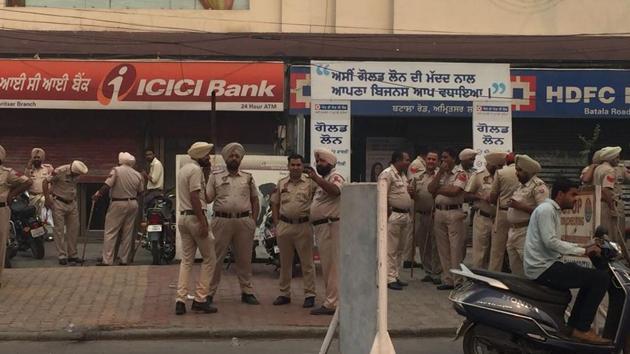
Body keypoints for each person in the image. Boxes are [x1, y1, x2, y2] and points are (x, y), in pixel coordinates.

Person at [524, 177, 609, 345]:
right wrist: (583, 251)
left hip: (547, 264)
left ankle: (573, 328)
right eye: (573, 194)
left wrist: (584, 246)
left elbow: (553, 241)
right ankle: (581, 329)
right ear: (561, 194)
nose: (576, 198)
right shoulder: (547, 210)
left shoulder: (551, 210)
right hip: (543, 268)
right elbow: (551, 242)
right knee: (600, 278)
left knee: (591, 277)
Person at [207, 142, 260, 305]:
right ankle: (208, 293)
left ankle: (247, 291)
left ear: (241, 159)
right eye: (231, 156)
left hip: (244, 222)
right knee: (216, 259)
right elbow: (208, 198)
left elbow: (255, 200)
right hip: (221, 221)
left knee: (244, 259)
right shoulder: (215, 177)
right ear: (225, 158)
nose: (234, 158)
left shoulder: (248, 177)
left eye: (237, 156)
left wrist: (253, 221)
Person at [175, 142, 217, 315]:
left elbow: (204, 197)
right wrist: (203, 222)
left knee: (186, 261)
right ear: (201, 156)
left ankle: (180, 299)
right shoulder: (195, 170)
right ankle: (200, 298)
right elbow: (195, 197)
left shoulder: (184, 169)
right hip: (194, 217)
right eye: (207, 155)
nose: (209, 158)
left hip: (183, 218)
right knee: (210, 259)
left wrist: (206, 174)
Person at [270, 154, 317, 308]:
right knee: (285, 263)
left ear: (303, 166)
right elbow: (274, 203)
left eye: (298, 165)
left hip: (303, 226)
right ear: (288, 166)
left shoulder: (310, 183)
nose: (296, 168)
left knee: (307, 263)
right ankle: (284, 293)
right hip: (284, 226)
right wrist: (277, 224)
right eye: (293, 165)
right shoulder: (282, 183)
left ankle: (310, 294)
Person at [306, 148, 344, 315]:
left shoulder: (336, 176)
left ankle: (332, 303)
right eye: (318, 162)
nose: (319, 164)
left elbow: (336, 191)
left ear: (331, 163)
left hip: (331, 226)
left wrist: (315, 178)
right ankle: (331, 299)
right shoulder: (323, 179)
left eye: (322, 162)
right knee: (327, 266)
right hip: (322, 227)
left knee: (332, 266)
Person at [93, 152, 144, 266]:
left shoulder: (116, 170)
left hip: (118, 203)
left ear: (120, 161)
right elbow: (141, 192)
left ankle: (107, 260)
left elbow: (107, 185)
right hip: (133, 203)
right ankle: (124, 259)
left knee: (111, 231)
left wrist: (97, 195)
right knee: (128, 233)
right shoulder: (137, 174)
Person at [428, 148, 468, 290]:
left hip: (454, 213)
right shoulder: (440, 174)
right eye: (442, 158)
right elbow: (430, 188)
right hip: (439, 212)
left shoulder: (460, 173)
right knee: (443, 248)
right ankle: (447, 279)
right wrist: (439, 173)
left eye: (445, 157)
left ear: (453, 158)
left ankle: (458, 280)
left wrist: (438, 190)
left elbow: (454, 191)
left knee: (455, 248)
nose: (443, 160)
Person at [506, 155, 549, 276]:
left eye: (519, 170)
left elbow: (544, 211)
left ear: (528, 171)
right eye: (516, 170)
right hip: (513, 231)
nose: (516, 173)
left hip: (526, 232)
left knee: (529, 268)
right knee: (515, 269)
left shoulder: (538, 186)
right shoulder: (521, 186)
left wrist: (520, 206)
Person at [379, 151, 413, 291]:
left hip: (405, 215)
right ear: (398, 160)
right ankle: (389, 277)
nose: (408, 162)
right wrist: (386, 215)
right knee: (391, 249)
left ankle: (395, 274)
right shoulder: (387, 173)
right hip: (394, 214)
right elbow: (382, 195)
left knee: (400, 248)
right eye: (406, 159)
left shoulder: (403, 175)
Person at [465, 151, 506, 269]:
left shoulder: (502, 177)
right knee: (480, 254)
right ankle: (478, 280)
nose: (500, 168)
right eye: (498, 166)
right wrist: (481, 197)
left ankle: (494, 281)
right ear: (490, 164)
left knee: (496, 254)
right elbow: (466, 195)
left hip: (498, 219)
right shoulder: (478, 176)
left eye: (501, 166)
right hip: (482, 218)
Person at [43, 160, 88, 265]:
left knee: (74, 229)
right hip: (58, 202)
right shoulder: (59, 171)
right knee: (59, 230)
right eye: (76, 174)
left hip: (72, 203)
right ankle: (62, 255)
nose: (77, 176)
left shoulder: (76, 173)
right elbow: (45, 182)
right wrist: (47, 199)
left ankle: (73, 255)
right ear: (72, 170)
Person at [0, 145, 32, 286]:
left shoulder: (7, 173)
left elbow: (27, 181)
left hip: (1, 210)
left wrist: (12, 194)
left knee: (1, 243)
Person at [410, 149, 442, 284]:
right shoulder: (418, 176)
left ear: (438, 162)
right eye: (429, 159)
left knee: (436, 244)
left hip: (434, 214)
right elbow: (415, 196)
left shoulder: (441, 175)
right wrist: (411, 193)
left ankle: (437, 272)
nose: (430, 161)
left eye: (434, 159)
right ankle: (428, 271)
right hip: (420, 214)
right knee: (423, 244)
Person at [594, 146, 630, 261]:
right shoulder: (609, 170)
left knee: (603, 234)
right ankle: (615, 260)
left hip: (600, 205)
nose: (618, 160)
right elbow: (606, 190)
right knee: (615, 234)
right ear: (611, 158)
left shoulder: (598, 168)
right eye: (617, 157)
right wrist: (612, 208)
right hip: (611, 204)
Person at [403, 145, 428, 269]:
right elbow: (413, 181)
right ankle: (408, 258)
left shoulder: (420, 163)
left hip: (420, 199)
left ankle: (410, 257)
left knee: (416, 229)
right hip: (414, 198)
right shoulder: (416, 164)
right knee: (412, 228)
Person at [25, 148, 54, 221]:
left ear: (42, 158)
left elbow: (54, 182)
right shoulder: (29, 170)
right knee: (34, 218)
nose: (36, 159)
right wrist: (29, 166)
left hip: (45, 197)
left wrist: (49, 193)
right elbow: (25, 180)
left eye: (38, 157)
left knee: (43, 218)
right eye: (34, 157)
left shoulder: (48, 168)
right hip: (32, 197)